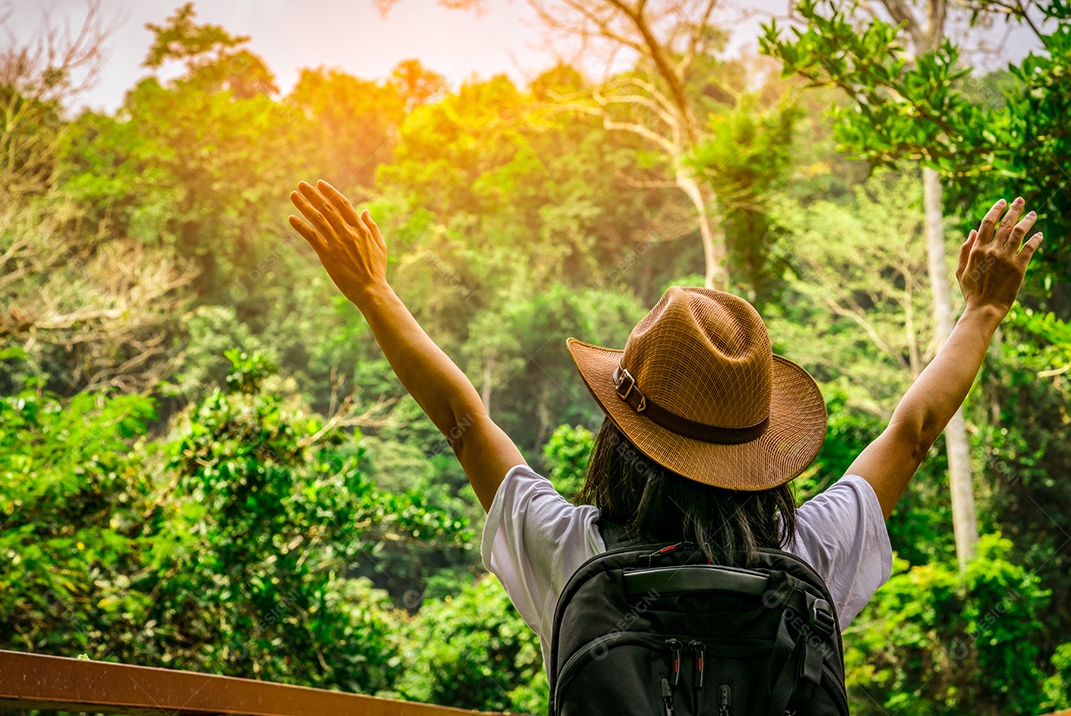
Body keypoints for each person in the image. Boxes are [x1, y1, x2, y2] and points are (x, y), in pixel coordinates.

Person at [288, 182, 1043, 679]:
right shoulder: (808, 555)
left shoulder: (570, 551)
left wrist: (372, 291)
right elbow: (912, 434)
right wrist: (983, 310)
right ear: (759, 450)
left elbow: (462, 421)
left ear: (621, 436)